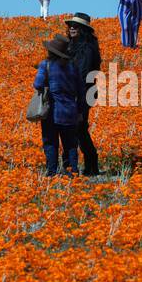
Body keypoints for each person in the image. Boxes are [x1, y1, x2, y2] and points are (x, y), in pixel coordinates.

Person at [33, 34, 86, 176]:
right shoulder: (73, 67)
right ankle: (72, 172)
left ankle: (52, 172)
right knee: (70, 144)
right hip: (71, 112)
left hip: (52, 112)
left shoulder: (46, 65)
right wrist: (80, 111)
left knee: (50, 142)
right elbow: (81, 91)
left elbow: (37, 84)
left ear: (50, 51)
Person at [66, 12, 101, 176]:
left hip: (83, 91)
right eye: (70, 25)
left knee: (79, 127)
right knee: (77, 128)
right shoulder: (73, 44)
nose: (72, 28)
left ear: (83, 29)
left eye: (76, 26)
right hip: (78, 91)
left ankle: (91, 164)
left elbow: (84, 72)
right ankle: (89, 164)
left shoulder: (87, 47)